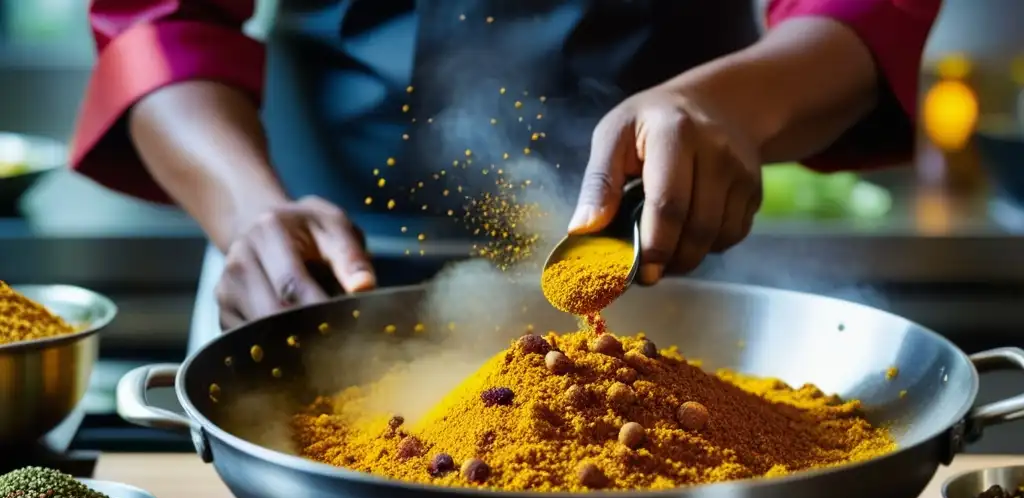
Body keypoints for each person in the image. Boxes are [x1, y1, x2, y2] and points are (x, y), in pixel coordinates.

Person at [71, 0, 941, 352]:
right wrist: (246, 211)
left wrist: (736, 104)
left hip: (660, 273)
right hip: (307, 281)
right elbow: (158, 17)